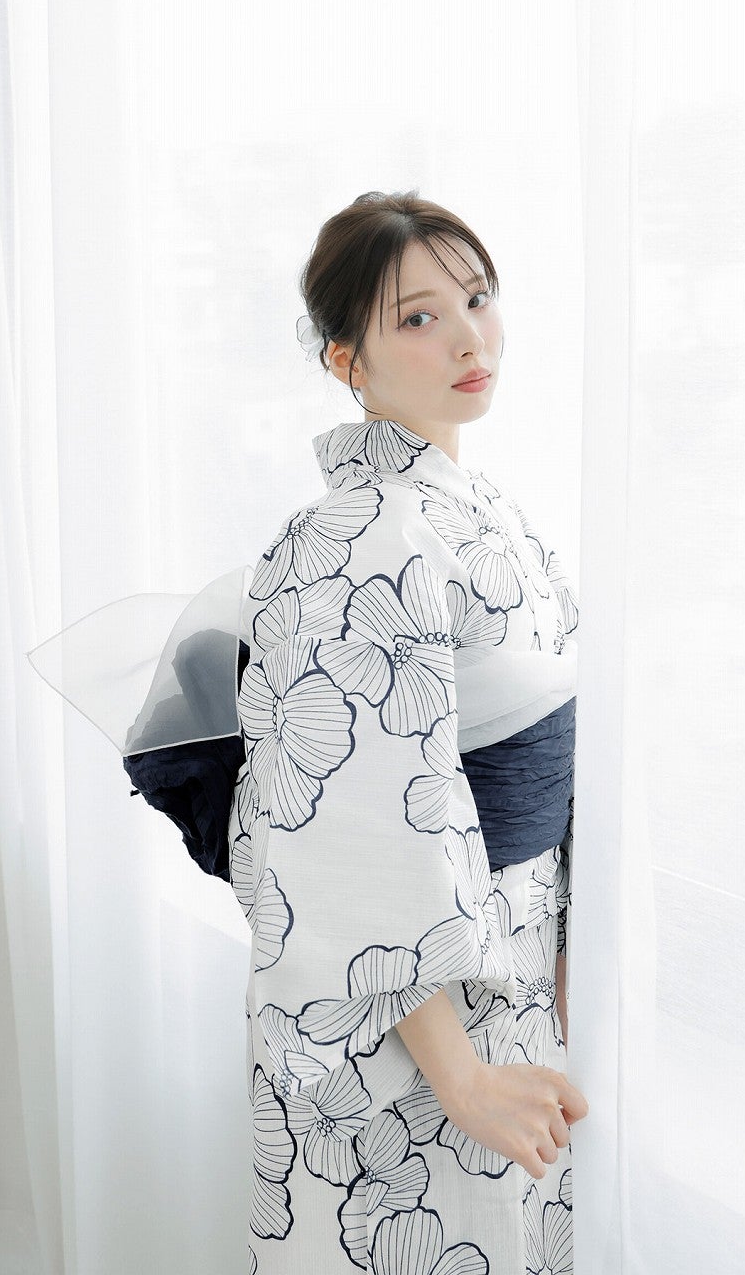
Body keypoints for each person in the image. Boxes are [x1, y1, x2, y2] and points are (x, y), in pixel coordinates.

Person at [232, 189, 587, 1274]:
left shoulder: (489, 512)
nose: (470, 337)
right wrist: (461, 1076)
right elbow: (339, 830)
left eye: (478, 298)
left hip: (511, 966)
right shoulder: (345, 539)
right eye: (420, 318)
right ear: (345, 359)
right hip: (411, 1025)